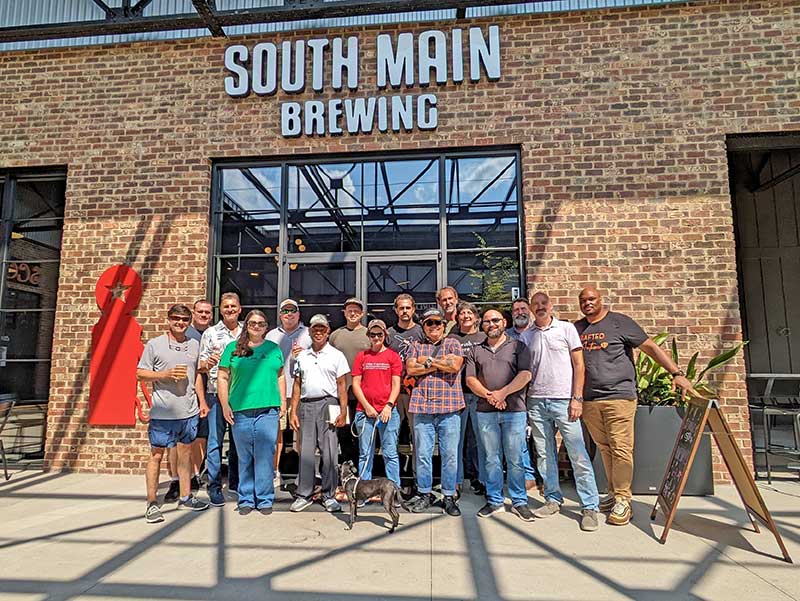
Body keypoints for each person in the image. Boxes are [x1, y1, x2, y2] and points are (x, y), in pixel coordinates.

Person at [575, 286, 697, 526]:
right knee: (606, 448)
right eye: (583, 300)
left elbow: (650, 347)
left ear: (601, 299)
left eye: (592, 299)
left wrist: (676, 372)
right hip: (590, 400)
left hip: (619, 396)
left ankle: (623, 500)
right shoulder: (577, 328)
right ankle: (613, 494)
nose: (587, 303)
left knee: (621, 448)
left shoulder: (620, 323)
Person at [523, 292, 600, 532]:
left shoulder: (566, 329)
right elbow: (525, 372)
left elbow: (579, 365)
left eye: (544, 303)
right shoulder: (526, 336)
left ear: (551, 305)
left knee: (577, 453)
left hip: (564, 401)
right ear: (531, 308)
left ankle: (589, 506)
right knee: (545, 454)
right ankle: (552, 499)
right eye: (535, 304)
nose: (540, 307)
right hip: (536, 401)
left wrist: (577, 398)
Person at [137, 304, 209, 523]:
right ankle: (151, 503)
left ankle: (186, 496)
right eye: (176, 318)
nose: (180, 322)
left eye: (184, 319)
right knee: (156, 455)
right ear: (168, 319)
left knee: (186, 453)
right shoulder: (155, 344)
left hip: (188, 410)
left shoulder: (194, 344)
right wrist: (164, 374)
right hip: (163, 411)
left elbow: (196, 375)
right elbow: (140, 373)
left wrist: (202, 401)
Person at [466, 308, 533, 521]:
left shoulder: (518, 347)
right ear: (482, 325)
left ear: (504, 322)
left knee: (515, 458)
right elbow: (470, 379)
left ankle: (519, 501)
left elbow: (525, 375)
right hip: (485, 412)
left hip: (514, 412)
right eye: (487, 321)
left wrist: (502, 393)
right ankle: (494, 500)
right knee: (491, 458)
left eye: (495, 320)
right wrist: (489, 395)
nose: (491, 324)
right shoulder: (476, 350)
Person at [217, 310, 285, 515]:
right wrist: (224, 404)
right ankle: (246, 498)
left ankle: (264, 499)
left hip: (268, 410)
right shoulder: (232, 349)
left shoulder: (274, 349)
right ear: (246, 325)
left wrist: (283, 402)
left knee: (265, 455)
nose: (257, 326)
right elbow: (222, 377)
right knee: (244, 456)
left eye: (261, 324)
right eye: (253, 323)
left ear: (266, 327)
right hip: (240, 410)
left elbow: (281, 376)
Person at [406, 307, 464, 516]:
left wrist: (428, 361)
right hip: (422, 407)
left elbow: (455, 366)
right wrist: (440, 364)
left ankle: (448, 495)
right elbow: (411, 370)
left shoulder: (453, 343)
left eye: (437, 323)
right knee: (422, 454)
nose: (434, 327)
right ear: (423, 326)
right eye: (429, 323)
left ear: (443, 325)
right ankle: (425, 493)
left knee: (450, 455)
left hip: (449, 408)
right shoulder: (415, 345)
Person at [289, 314, 350, 513]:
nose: (318, 332)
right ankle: (304, 494)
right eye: (315, 328)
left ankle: (329, 495)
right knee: (306, 451)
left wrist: (343, 411)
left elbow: (342, 385)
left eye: (322, 329)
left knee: (330, 452)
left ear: (328, 331)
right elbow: (297, 385)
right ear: (310, 331)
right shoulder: (302, 356)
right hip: (306, 405)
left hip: (329, 404)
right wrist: (293, 412)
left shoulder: (337, 355)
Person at [165, 299, 213, 503]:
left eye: (207, 312)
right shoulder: (184, 336)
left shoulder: (212, 335)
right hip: (182, 395)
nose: (203, 315)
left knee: (200, 438)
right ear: (194, 313)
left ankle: (193, 476)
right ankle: (175, 481)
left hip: (206, 393)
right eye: (200, 311)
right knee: (175, 443)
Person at [199, 292, 242, 507]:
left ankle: (236, 482)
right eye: (226, 306)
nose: (230, 309)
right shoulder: (210, 333)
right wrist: (208, 362)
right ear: (221, 309)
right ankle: (214, 486)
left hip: (241, 395)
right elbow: (199, 366)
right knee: (215, 442)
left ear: (240, 308)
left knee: (239, 442)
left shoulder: (246, 332)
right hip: (216, 393)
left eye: (233, 306)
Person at [351, 319, 403, 494]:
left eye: (379, 334)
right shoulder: (362, 356)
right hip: (365, 413)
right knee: (365, 454)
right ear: (368, 336)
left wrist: (388, 405)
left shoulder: (393, 356)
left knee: (390, 453)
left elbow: (396, 384)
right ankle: (364, 492)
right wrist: (366, 406)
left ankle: (394, 491)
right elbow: (356, 384)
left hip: (388, 412)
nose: (376, 337)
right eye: (372, 334)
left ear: (385, 335)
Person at [266, 298, 312, 487]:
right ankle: (274, 473)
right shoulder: (270, 336)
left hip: (302, 391)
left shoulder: (309, 334)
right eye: (285, 311)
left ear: (299, 314)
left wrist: (305, 354)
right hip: (277, 391)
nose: (289, 314)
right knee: (275, 434)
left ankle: (304, 474)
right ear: (280, 315)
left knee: (302, 434)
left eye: (293, 310)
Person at [448, 301, 487, 496]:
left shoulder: (484, 337)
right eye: (462, 313)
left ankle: (482, 479)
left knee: (481, 440)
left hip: (480, 395)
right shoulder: (452, 338)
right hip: (457, 395)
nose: (465, 316)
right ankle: (455, 481)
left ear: (476, 318)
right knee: (457, 441)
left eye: (469, 313)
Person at [329, 297, 371, 465]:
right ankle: (347, 471)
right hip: (339, 394)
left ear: (362, 313)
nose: (353, 313)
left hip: (363, 394)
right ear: (344, 313)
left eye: (356, 310)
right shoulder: (335, 335)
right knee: (342, 433)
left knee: (362, 434)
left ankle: (363, 473)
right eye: (349, 310)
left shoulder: (370, 334)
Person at [506, 296, 541, 492]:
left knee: (540, 437)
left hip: (539, 390)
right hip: (515, 392)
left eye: (523, 309)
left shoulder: (538, 332)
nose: (520, 312)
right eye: (516, 310)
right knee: (519, 436)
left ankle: (543, 478)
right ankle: (528, 475)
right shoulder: (506, 335)